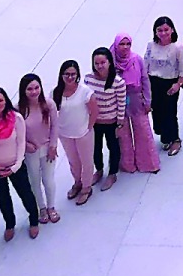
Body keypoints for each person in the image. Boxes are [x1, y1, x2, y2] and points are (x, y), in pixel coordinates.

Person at [0, 86, 41, 240]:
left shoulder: (16, 118)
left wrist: (16, 165)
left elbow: (21, 143)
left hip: (15, 166)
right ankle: (10, 224)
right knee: (3, 197)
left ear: (6, 101)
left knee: (26, 194)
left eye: (0, 100)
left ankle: (34, 220)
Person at [112, 33, 160, 174]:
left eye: (128, 44)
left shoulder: (136, 59)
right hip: (118, 102)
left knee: (143, 131)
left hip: (136, 100)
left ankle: (148, 164)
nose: (125, 47)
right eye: (122, 44)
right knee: (123, 135)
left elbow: (145, 80)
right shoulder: (111, 61)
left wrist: (148, 100)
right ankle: (127, 165)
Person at [18, 73, 60, 225]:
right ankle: (41, 208)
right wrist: (25, 145)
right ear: (23, 91)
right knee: (34, 180)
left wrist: (53, 146)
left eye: (36, 88)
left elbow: (55, 126)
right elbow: (16, 133)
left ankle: (51, 207)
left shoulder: (48, 104)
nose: (34, 91)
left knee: (48, 180)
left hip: (48, 149)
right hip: (30, 152)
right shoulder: (18, 109)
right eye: (30, 89)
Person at [145, 16, 183, 156]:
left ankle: (175, 139)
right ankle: (164, 135)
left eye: (166, 30)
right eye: (160, 30)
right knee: (156, 110)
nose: (163, 33)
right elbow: (145, 64)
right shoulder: (151, 45)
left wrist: (178, 84)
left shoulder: (178, 48)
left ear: (172, 30)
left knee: (170, 113)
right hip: (153, 82)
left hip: (170, 83)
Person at [53, 60, 96, 205]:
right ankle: (77, 182)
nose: (70, 77)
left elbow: (94, 111)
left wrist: (88, 128)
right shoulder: (55, 92)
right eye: (67, 74)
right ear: (61, 75)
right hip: (65, 134)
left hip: (83, 134)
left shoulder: (85, 92)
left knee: (86, 162)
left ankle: (86, 188)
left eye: (73, 74)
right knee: (73, 162)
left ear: (78, 75)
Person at [85, 47, 126, 190]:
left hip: (111, 122)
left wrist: (119, 124)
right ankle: (99, 170)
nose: (100, 66)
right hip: (94, 122)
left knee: (113, 147)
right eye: (96, 63)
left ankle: (112, 173)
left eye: (103, 62)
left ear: (109, 62)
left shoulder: (118, 82)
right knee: (95, 148)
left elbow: (121, 104)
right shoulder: (88, 79)